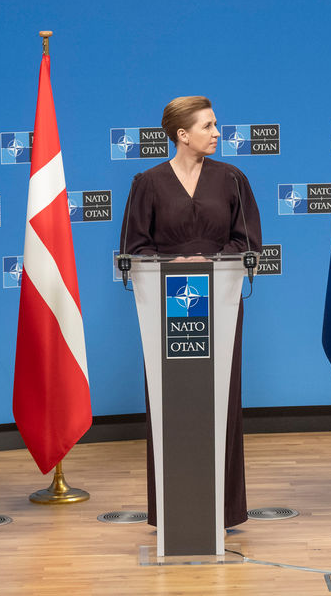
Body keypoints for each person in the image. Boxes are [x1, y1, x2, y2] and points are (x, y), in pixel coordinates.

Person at [119, 95, 261, 529]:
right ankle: (173, 507)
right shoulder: (147, 182)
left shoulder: (233, 178)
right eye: (209, 126)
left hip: (220, 302)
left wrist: (209, 266)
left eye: (216, 125)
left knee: (222, 398)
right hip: (167, 308)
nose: (218, 132)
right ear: (182, 135)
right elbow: (134, 248)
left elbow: (248, 241)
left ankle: (223, 509)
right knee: (172, 402)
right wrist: (172, 268)